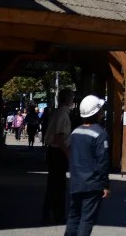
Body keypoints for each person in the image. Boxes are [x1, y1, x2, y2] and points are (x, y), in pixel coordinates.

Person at [65, 96, 110, 236]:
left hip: (76, 182)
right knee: (87, 219)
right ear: (97, 113)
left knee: (74, 217)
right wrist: (105, 184)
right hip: (92, 184)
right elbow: (103, 161)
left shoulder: (75, 132)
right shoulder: (100, 133)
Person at [42, 89, 74, 225]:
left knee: (52, 184)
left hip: (53, 150)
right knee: (59, 185)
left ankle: (47, 212)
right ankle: (58, 215)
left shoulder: (56, 113)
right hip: (58, 151)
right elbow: (59, 138)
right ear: (69, 100)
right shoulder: (63, 115)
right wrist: (68, 154)